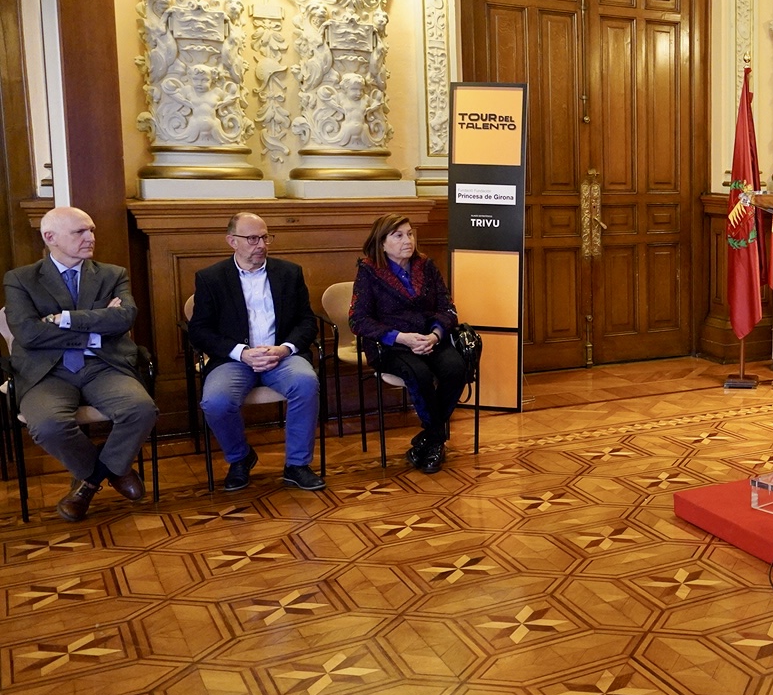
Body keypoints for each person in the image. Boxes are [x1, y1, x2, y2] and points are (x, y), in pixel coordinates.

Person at [3, 207, 158, 522]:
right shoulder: (21, 279)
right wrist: (96, 328)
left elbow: (124, 318)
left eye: (91, 230)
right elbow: (29, 333)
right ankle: (113, 468)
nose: (90, 237)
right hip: (46, 371)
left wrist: (62, 319)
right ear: (50, 237)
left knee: (141, 410)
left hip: (105, 365)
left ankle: (88, 484)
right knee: (48, 425)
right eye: (79, 232)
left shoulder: (113, 274)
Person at [189, 212, 325, 492]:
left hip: (282, 357)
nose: (261, 245)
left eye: (265, 237)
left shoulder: (289, 273)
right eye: (252, 239)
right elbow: (199, 331)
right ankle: (240, 458)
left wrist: (284, 349)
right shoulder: (211, 278)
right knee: (215, 402)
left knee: (306, 382)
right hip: (234, 360)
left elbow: (307, 322)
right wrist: (242, 352)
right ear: (232, 241)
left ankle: (297, 465)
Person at [348, 214, 466, 473]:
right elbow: (358, 320)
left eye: (410, 234)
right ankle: (435, 440)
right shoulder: (369, 271)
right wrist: (401, 337)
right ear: (382, 243)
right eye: (398, 235)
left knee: (456, 368)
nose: (407, 240)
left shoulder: (426, 266)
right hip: (391, 344)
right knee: (419, 373)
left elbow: (447, 308)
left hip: (429, 339)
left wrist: (435, 335)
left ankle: (429, 438)